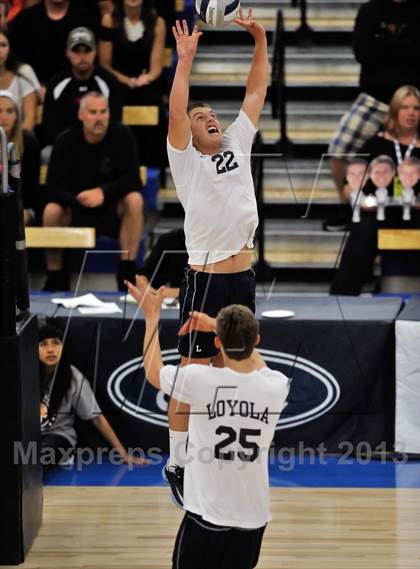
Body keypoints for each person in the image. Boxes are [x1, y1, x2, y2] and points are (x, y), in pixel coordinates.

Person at [162, 9, 269, 506]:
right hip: (203, 282)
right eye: (199, 116)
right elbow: (177, 110)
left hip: (242, 282)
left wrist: (260, 40)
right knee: (191, 375)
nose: (208, 118)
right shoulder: (186, 162)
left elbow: (254, 93)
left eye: (212, 115)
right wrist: (184, 63)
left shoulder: (236, 143)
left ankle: (226, 460)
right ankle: (177, 462)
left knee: (238, 373)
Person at [126, 276, 290, 569]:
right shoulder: (275, 386)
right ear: (257, 340)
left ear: (216, 343)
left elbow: (153, 372)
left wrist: (152, 317)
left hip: (208, 515)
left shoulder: (201, 380)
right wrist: (223, 327)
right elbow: (253, 359)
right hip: (253, 517)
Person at [42, 91, 144, 292]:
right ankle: (56, 275)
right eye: (93, 112)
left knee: (135, 200)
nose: (98, 118)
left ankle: (127, 271)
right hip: (75, 208)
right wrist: (79, 200)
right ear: (81, 115)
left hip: (111, 209)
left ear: (109, 113)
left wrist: (103, 192)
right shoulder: (65, 140)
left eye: (103, 112)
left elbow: (134, 179)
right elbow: (52, 188)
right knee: (51, 210)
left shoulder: (122, 134)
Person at [328, 0, 420, 200]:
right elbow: (362, 52)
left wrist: (383, 43)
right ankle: (347, 209)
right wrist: (405, 46)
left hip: (414, 101)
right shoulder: (370, 10)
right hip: (375, 100)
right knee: (338, 151)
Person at [38, 322, 148, 468]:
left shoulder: (74, 377)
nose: (51, 349)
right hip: (31, 434)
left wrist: (123, 453)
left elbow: (97, 418)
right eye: (44, 344)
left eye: (56, 343)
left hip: (60, 436)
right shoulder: (25, 375)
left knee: (36, 457)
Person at [99, 0, 167, 166]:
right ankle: (116, 162)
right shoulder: (109, 21)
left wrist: (146, 79)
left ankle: (152, 165)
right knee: (112, 103)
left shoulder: (158, 22)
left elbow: (156, 66)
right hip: (117, 81)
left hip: (145, 81)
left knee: (155, 104)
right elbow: (105, 65)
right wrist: (128, 81)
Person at [41, 26, 122, 150]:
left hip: (102, 145)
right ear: (67, 52)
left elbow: (115, 122)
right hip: (65, 148)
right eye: (76, 51)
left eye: (87, 50)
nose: (82, 56)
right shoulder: (56, 84)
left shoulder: (109, 82)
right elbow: (49, 125)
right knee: (47, 153)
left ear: (95, 52)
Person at [330, 155, 398, 296]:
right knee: (364, 227)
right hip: (374, 214)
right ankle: (343, 296)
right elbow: (348, 186)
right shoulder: (373, 146)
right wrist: (359, 199)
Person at [8, 0, 98, 86]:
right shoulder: (25, 19)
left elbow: (93, 60)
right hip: (34, 89)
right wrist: (35, 87)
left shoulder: (85, 17)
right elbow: (18, 61)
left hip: (75, 87)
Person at [358, 85, 420, 197]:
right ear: (395, 110)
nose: (411, 113)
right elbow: (350, 185)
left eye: (416, 108)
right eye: (404, 107)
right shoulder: (375, 144)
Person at [0, 89, 40, 224]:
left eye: (10, 111)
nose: (4, 117)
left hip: (22, 206)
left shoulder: (29, 143)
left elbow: (31, 192)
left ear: (17, 115)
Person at [0, 29, 40, 130]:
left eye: (3, 45)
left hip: (20, 139)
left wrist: (18, 142)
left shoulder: (23, 72)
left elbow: (29, 117)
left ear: (10, 49)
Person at [136, 227, 187, 298]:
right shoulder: (170, 240)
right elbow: (143, 275)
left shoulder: (206, 246)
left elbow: (204, 291)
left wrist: (166, 292)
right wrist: (146, 287)